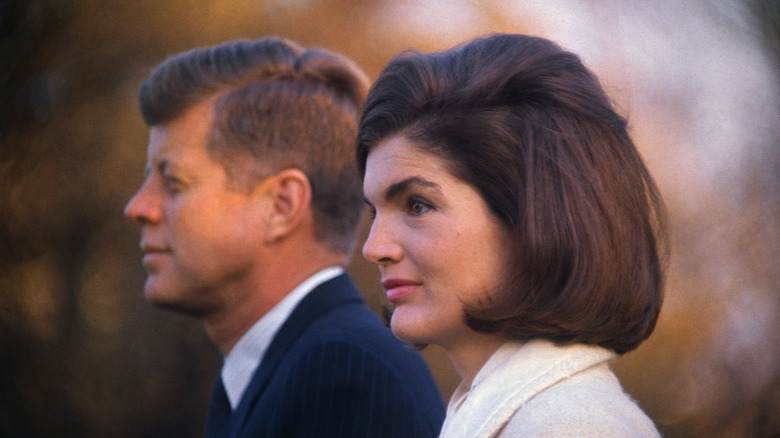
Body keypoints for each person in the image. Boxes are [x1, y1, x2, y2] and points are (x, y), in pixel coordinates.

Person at [124, 37, 445, 438]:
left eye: (173, 182)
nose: (138, 207)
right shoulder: (282, 370)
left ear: (281, 206)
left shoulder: (346, 375)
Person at [358, 33, 668, 437]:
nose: (372, 248)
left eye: (417, 205)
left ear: (534, 215)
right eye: (373, 212)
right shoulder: (510, 419)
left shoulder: (573, 429)